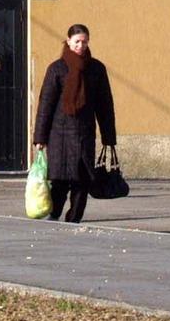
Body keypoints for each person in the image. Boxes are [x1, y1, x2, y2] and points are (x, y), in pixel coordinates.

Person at [33, 23, 116, 223]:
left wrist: (109, 137)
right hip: (59, 133)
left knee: (82, 180)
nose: (81, 45)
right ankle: (54, 214)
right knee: (60, 180)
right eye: (77, 41)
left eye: (84, 42)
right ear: (68, 41)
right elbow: (46, 104)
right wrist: (40, 137)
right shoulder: (57, 68)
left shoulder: (96, 69)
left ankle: (74, 218)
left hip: (84, 132)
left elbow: (105, 104)